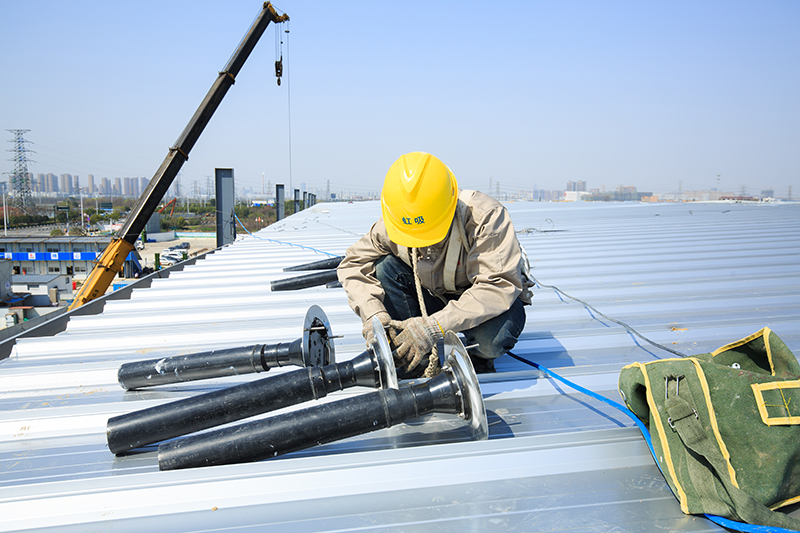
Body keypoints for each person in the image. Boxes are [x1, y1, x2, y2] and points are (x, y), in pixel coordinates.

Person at [337, 152, 533, 378]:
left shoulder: (485, 217)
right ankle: (411, 355)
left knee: (494, 338)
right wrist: (373, 314)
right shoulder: (396, 221)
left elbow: (497, 286)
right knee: (384, 268)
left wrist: (433, 326)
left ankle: (476, 360)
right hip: (432, 296)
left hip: (480, 303)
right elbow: (352, 263)